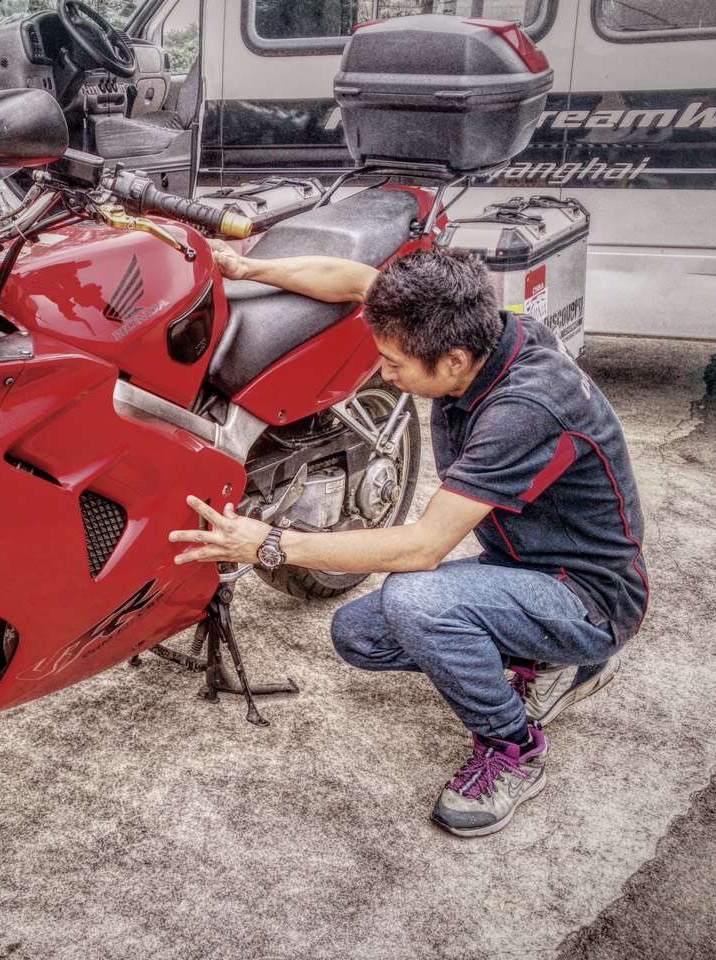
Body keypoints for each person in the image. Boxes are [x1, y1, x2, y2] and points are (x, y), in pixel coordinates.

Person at [170, 241, 649, 838]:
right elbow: (353, 279)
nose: (384, 374)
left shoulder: (524, 409)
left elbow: (423, 547)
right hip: (526, 568)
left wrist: (269, 543)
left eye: (394, 363)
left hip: (591, 596)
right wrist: (246, 268)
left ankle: (515, 749)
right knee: (359, 636)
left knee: (415, 601)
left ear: (453, 361)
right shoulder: (468, 326)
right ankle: (553, 656)